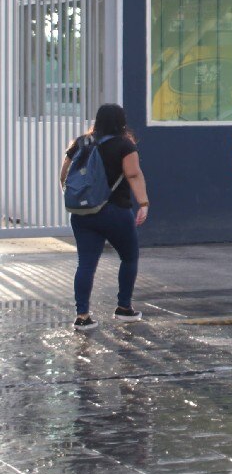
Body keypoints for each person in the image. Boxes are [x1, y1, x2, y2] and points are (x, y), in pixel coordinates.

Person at [60, 104, 150, 332]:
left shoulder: (81, 142)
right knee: (129, 257)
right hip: (115, 212)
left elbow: (65, 175)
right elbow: (133, 174)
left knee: (86, 263)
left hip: (83, 214)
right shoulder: (124, 145)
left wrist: (80, 196)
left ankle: (82, 316)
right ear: (122, 122)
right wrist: (143, 203)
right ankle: (123, 308)